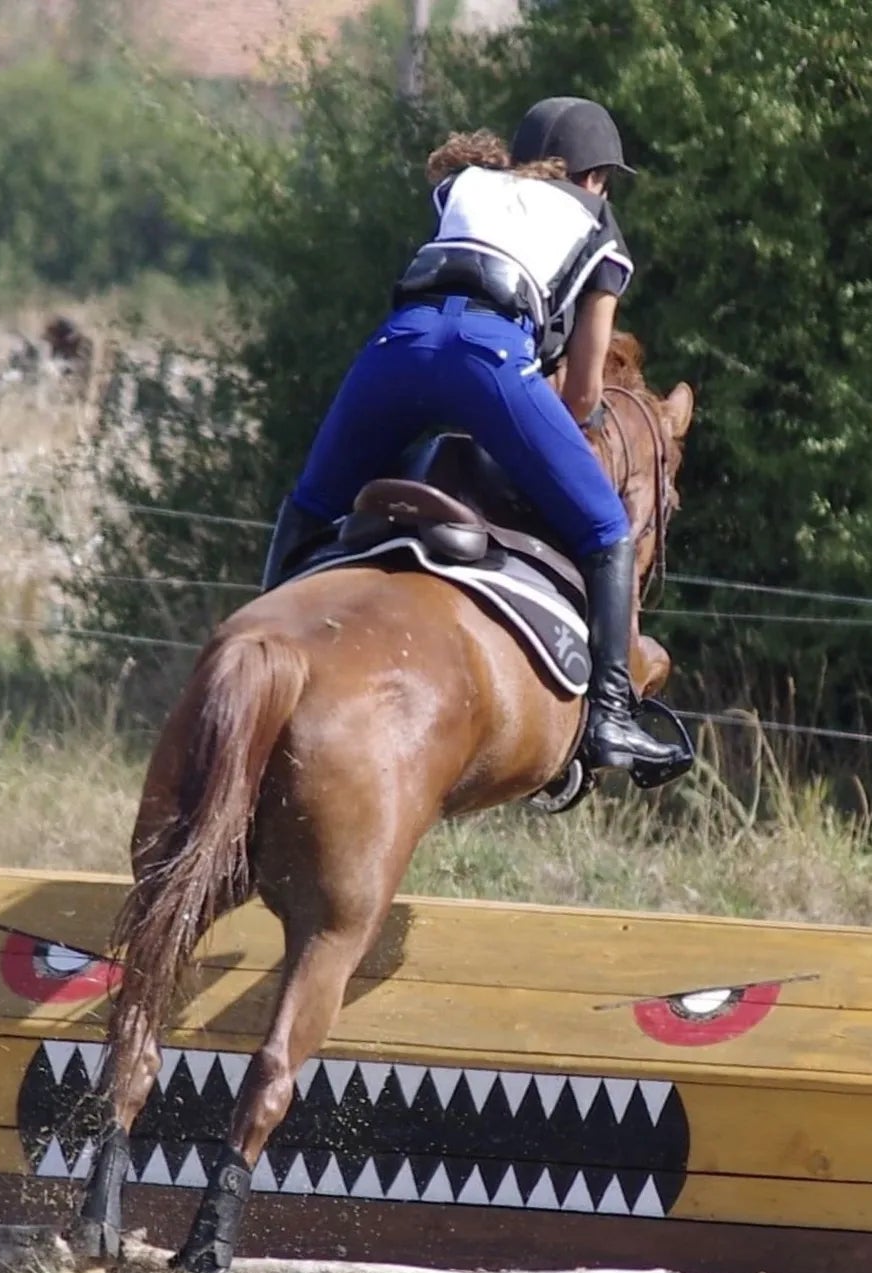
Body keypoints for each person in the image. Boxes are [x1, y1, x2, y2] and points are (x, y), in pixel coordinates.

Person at [259, 97, 687, 776]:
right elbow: (580, 392)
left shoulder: (463, 185)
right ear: (595, 177)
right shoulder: (595, 222)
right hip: (487, 366)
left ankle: (256, 640)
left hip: (394, 352)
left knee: (312, 502)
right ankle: (610, 717)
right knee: (607, 529)